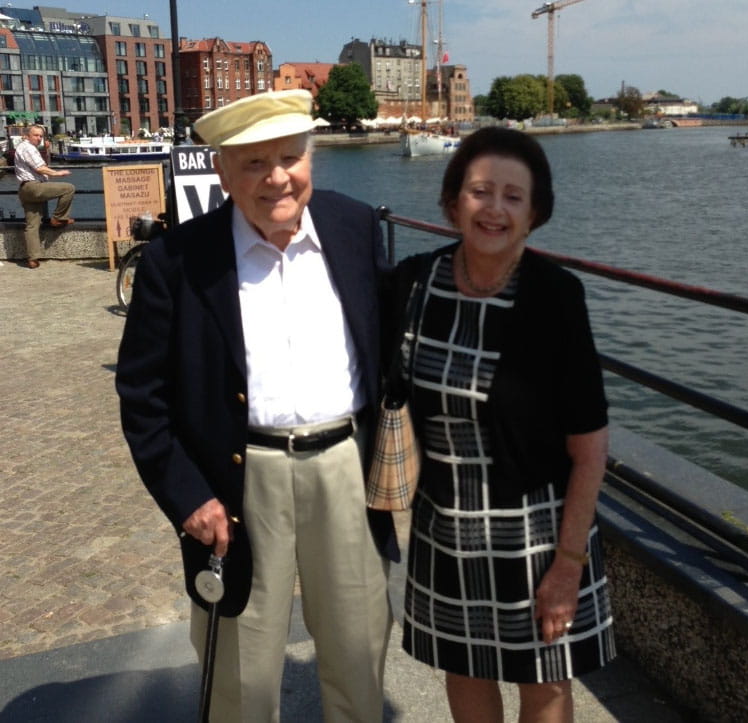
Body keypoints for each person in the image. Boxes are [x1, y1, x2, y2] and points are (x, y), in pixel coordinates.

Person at [115, 89, 396, 722]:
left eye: (290, 158)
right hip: (237, 483)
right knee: (241, 675)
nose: (277, 179)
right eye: (253, 163)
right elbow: (142, 395)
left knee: (359, 652)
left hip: (345, 469)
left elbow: (392, 337)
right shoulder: (177, 261)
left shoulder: (354, 227)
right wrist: (187, 496)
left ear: (311, 159)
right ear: (222, 171)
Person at [383, 126, 615, 722]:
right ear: (453, 199)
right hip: (444, 525)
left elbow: (589, 450)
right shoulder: (413, 284)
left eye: (514, 197)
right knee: (464, 670)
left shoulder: (557, 297)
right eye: (481, 191)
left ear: (535, 213)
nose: (495, 209)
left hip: (536, 530)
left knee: (543, 680)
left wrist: (568, 565)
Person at [14, 124, 75, 268]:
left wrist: (44, 149)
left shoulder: (24, 147)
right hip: (34, 187)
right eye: (36, 135)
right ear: (27, 136)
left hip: (24, 189)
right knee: (68, 188)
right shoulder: (28, 148)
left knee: (32, 225)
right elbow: (40, 168)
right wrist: (57, 173)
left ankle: (33, 259)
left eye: (41, 135)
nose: (39, 138)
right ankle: (59, 218)